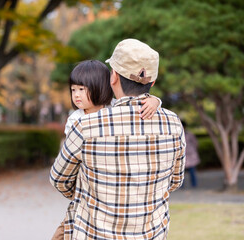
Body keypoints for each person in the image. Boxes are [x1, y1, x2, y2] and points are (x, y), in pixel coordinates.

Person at [50, 39, 186, 240]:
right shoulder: (173, 124)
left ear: (113, 76)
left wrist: (89, 196)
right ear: (153, 82)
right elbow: (175, 181)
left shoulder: (86, 127)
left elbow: (59, 179)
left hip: (94, 233)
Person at [182, 121, 200, 188]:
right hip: (182, 155)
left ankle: (194, 184)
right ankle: (181, 185)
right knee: (181, 172)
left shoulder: (189, 134)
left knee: (192, 171)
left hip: (190, 155)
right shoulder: (177, 134)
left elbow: (195, 143)